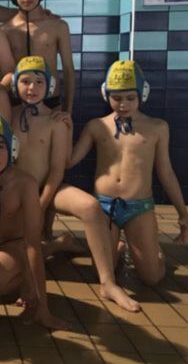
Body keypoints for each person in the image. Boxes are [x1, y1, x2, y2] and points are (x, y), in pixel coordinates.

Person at [11, 55, 140, 311]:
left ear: (48, 86)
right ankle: (58, 246)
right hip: (16, 191)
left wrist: (41, 203)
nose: (31, 88)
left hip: (49, 188)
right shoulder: (7, 115)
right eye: (25, 81)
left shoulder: (56, 122)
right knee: (21, 242)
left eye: (38, 82)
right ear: (16, 84)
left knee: (90, 208)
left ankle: (108, 282)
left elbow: (58, 170)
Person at [69, 60, 188, 286]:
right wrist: (60, 128)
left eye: (130, 98)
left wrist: (182, 212)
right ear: (106, 94)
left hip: (139, 207)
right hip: (103, 207)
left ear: (142, 94)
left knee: (152, 277)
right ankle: (118, 246)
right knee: (102, 274)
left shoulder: (157, 127)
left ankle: (154, 253)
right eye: (117, 98)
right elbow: (70, 161)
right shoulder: (96, 126)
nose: (123, 104)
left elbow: (166, 172)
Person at [0, 113, 68, 329]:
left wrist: (42, 308)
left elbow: (32, 244)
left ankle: (31, 265)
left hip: (14, 244)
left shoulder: (24, 183)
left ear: (12, 148)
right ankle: (57, 245)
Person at [1, 0, 75, 114]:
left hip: (51, 103)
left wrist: (68, 110)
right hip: (16, 104)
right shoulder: (4, 31)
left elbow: (69, 70)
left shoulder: (58, 26)